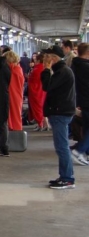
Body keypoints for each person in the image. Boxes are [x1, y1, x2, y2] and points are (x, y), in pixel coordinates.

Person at [40, 46, 76, 189]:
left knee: (62, 147)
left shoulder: (61, 71)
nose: (44, 59)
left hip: (60, 112)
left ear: (53, 58)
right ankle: (65, 176)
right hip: (60, 111)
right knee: (61, 147)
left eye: (47, 56)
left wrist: (46, 70)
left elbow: (47, 86)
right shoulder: (62, 70)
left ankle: (68, 178)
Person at [70, 43, 89, 166]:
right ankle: (79, 150)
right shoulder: (86, 67)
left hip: (82, 101)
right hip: (88, 100)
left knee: (87, 128)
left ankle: (85, 153)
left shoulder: (74, 65)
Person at [4, 51, 26, 132]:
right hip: (17, 95)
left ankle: (13, 129)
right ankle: (16, 129)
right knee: (16, 113)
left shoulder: (12, 70)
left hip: (11, 95)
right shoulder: (19, 69)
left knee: (12, 112)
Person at [28, 53, 49, 131]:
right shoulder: (43, 68)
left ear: (38, 60)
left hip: (36, 91)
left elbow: (33, 81)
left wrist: (28, 77)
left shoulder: (37, 69)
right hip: (42, 91)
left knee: (38, 108)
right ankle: (45, 125)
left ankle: (40, 125)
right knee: (42, 108)